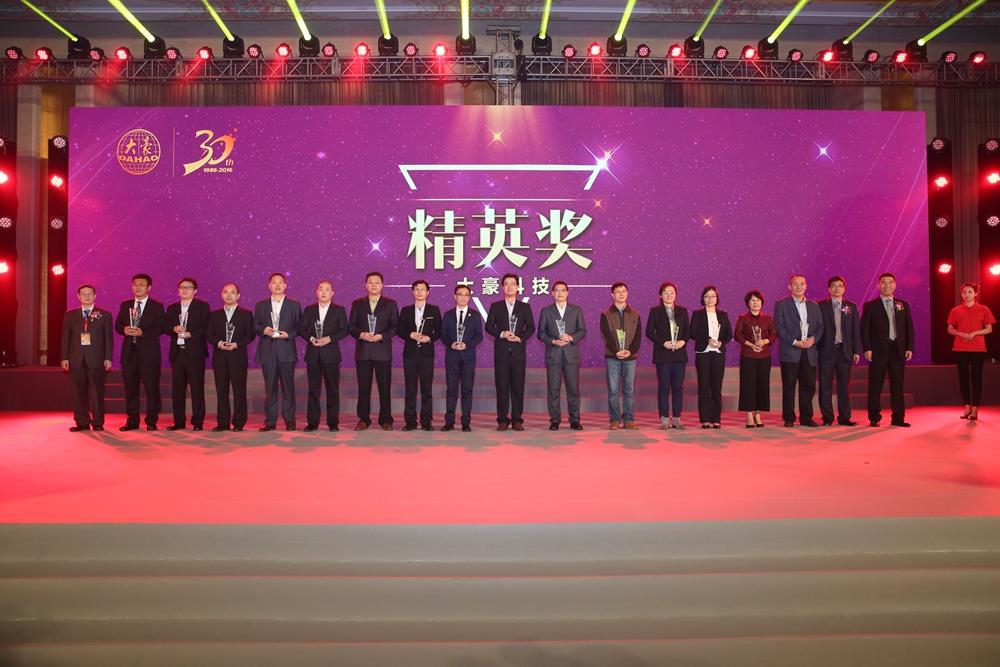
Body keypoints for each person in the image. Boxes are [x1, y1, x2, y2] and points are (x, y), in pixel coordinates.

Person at [861, 272, 915, 427]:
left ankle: (898, 418)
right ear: (878, 285)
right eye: (884, 282)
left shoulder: (903, 305)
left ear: (895, 285)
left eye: (891, 282)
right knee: (875, 385)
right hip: (877, 351)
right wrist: (867, 348)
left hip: (898, 351)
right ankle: (874, 417)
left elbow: (909, 328)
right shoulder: (870, 306)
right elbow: (864, 329)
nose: (887, 285)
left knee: (897, 386)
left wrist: (909, 347)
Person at [114, 273, 165, 431]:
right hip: (129, 354)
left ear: (149, 287)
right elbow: (118, 325)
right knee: (130, 389)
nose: (138, 287)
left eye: (141, 284)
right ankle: (132, 421)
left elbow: (161, 328)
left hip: (149, 355)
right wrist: (124, 329)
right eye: (135, 284)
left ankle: (151, 420)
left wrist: (143, 332)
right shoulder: (125, 305)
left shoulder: (157, 306)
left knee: (151, 388)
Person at [349, 271, 399, 430]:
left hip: (382, 351)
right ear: (366, 285)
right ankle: (363, 419)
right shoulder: (358, 304)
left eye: (377, 282)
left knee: (384, 387)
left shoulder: (390, 304)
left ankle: (386, 419)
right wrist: (361, 334)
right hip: (363, 351)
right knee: (363, 387)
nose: (374, 285)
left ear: (382, 285)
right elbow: (351, 326)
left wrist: (381, 336)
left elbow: (394, 327)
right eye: (370, 282)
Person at [60, 284, 113, 432]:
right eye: (83, 294)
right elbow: (65, 337)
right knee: (79, 392)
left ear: (95, 296)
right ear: (78, 296)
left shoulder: (104, 315)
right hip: (76, 358)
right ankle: (82, 422)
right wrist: (64, 357)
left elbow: (108, 339)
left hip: (96, 358)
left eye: (89, 293)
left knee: (97, 392)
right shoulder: (70, 315)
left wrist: (108, 357)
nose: (86, 296)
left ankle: (98, 422)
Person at [774, 274, 825, 428]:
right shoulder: (781, 304)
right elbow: (779, 327)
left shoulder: (814, 305)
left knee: (808, 386)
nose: (799, 287)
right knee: (789, 386)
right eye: (795, 284)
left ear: (806, 286)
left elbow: (820, 326)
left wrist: (812, 340)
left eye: (802, 284)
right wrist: (795, 341)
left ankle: (806, 418)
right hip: (791, 351)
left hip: (809, 351)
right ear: (790, 286)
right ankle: (789, 418)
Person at [485, 274, 535, 431]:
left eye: (513, 284)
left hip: (518, 353)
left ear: (518, 287)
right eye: (506, 284)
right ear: (502, 287)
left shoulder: (524, 307)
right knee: (502, 387)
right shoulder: (495, 306)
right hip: (501, 353)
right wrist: (502, 334)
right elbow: (488, 326)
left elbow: (531, 327)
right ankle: (502, 419)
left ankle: (517, 419)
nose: (509, 286)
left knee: (518, 387)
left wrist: (520, 338)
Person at [253, 272, 302, 431]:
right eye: (274, 283)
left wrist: (289, 334)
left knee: (288, 388)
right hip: (268, 352)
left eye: (280, 282)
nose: (277, 285)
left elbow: (300, 327)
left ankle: (290, 420)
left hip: (286, 351)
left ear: (285, 285)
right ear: (269, 286)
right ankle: (270, 421)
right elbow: (255, 325)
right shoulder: (261, 305)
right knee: (270, 389)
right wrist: (263, 330)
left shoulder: (294, 305)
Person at [299, 280, 349, 432]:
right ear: (317, 292)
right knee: (313, 390)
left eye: (327, 289)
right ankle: (312, 423)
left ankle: (333, 423)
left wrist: (330, 338)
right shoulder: (309, 310)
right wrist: (311, 338)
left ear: (332, 293)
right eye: (321, 289)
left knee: (332, 390)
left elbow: (344, 330)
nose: (324, 292)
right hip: (313, 355)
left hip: (331, 355)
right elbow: (301, 329)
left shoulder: (339, 310)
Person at [537, 281, 587, 430]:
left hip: (571, 355)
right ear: (552, 293)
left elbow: (582, 331)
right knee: (553, 389)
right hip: (554, 354)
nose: (560, 293)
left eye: (563, 290)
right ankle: (554, 419)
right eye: (557, 290)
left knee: (573, 389)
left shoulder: (576, 310)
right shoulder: (546, 311)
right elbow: (541, 333)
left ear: (567, 292)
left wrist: (571, 337)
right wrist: (553, 341)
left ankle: (575, 419)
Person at [163, 277, 211, 431]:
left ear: (195, 291)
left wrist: (191, 334)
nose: (184, 290)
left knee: (196, 388)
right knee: (177, 389)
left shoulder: (202, 306)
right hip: (177, 353)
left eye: (188, 287)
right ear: (178, 290)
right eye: (182, 287)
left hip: (195, 353)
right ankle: (179, 422)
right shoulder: (172, 308)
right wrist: (174, 328)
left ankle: (197, 422)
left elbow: (207, 327)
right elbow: (165, 326)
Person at [206, 283, 254, 432]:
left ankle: (239, 423)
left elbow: (250, 335)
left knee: (239, 391)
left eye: (232, 292)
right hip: (220, 358)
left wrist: (237, 344)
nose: (229, 295)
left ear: (238, 296)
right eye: (226, 292)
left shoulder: (246, 314)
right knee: (221, 392)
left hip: (238, 357)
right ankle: (223, 423)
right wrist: (219, 343)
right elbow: (209, 334)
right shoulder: (215, 314)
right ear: (222, 295)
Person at [817, 276, 862, 426]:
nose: (837, 288)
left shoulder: (851, 306)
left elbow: (856, 330)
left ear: (844, 289)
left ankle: (844, 417)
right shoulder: (821, 306)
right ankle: (827, 418)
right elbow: (817, 328)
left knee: (844, 386)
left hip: (845, 351)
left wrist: (857, 350)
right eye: (834, 286)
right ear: (829, 289)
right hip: (826, 351)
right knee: (825, 385)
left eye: (840, 286)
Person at [397, 280, 441, 431]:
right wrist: (410, 334)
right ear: (412, 292)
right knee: (410, 389)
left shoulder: (434, 310)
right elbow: (399, 330)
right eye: (417, 289)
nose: (420, 292)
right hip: (410, 354)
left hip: (427, 354)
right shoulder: (406, 310)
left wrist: (429, 338)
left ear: (428, 292)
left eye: (423, 289)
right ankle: (410, 421)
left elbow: (439, 331)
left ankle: (426, 421)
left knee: (426, 389)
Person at [947, 282, 995, 421]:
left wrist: (974, 333)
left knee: (976, 377)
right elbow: (949, 328)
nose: (967, 295)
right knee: (963, 377)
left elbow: (989, 328)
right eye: (964, 292)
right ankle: (967, 407)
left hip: (978, 348)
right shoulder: (956, 310)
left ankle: (975, 409)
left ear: (975, 293)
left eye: (970, 292)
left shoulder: (983, 309)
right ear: (961, 294)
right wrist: (960, 333)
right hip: (960, 347)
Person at [645, 281, 690, 430]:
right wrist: (663, 342)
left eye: (672, 292)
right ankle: (664, 418)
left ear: (676, 295)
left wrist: (683, 341)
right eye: (665, 292)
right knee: (664, 387)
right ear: (660, 295)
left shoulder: (682, 311)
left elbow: (688, 331)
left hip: (679, 355)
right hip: (663, 355)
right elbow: (649, 332)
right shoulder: (655, 311)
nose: (669, 295)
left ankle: (677, 418)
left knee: (678, 387)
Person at [440, 284, 483, 432]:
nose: (463, 297)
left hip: (468, 357)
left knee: (467, 390)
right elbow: (443, 335)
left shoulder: (475, 315)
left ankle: (466, 422)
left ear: (469, 297)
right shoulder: (448, 315)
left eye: (466, 295)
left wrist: (467, 345)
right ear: (455, 296)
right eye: (460, 294)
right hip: (452, 356)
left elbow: (479, 336)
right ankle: (449, 422)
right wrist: (451, 343)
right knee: (451, 390)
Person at [599, 282, 641, 430]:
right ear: (612, 295)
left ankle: (629, 419)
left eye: (624, 291)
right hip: (612, 357)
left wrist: (630, 351)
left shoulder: (635, 314)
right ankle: (615, 419)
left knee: (629, 390)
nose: (621, 294)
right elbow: (606, 336)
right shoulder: (606, 314)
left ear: (627, 293)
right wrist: (616, 350)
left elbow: (638, 337)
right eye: (618, 292)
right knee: (613, 390)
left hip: (630, 358)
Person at [689, 285, 732, 429]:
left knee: (716, 386)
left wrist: (721, 342)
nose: (710, 299)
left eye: (713, 296)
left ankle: (716, 418)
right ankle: (705, 419)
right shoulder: (697, 314)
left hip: (718, 353)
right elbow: (692, 332)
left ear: (717, 298)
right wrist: (707, 340)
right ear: (703, 298)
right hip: (703, 353)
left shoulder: (723, 314)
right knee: (704, 386)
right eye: (707, 296)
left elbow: (729, 334)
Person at [734, 290, 777, 428]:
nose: (755, 303)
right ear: (748, 303)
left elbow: (774, 334)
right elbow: (738, 335)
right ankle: (749, 414)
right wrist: (750, 344)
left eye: (758, 300)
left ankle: (758, 414)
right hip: (748, 355)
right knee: (748, 385)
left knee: (762, 385)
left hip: (764, 356)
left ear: (762, 302)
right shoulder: (743, 318)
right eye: (752, 300)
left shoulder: (768, 318)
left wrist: (764, 341)